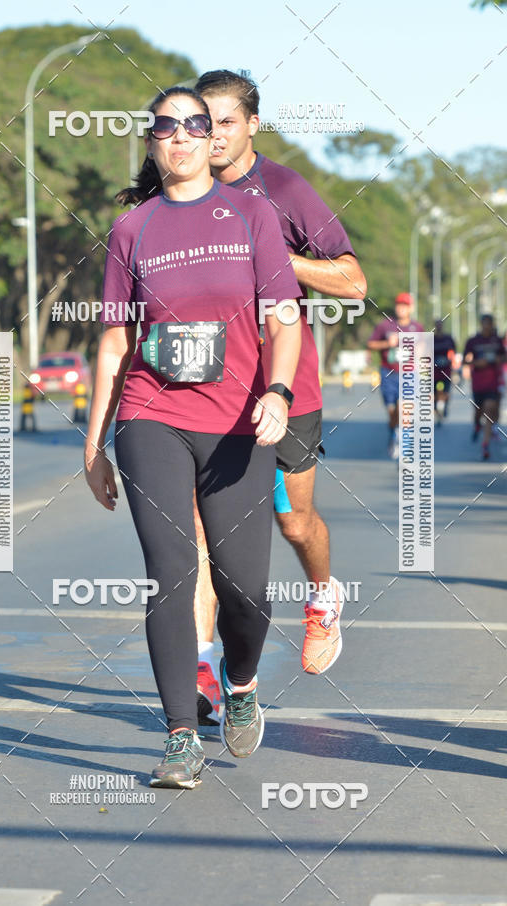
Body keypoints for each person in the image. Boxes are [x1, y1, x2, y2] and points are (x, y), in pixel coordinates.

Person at [84, 85, 302, 789]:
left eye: (193, 125)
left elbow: (284, 320)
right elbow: (115, 342)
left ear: (214, 138)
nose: (178, 136)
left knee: (247, 591)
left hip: (239, 421)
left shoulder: (251, 215)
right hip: (151, 416)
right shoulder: (132, 230)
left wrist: (279, 390)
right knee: (171, 573)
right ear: (151, 140)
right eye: (164, 126)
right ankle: (180, 735)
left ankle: (240, 681)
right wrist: (93, 444)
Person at [188, 70, 367, 726]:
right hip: (206, 391)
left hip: (287, 387)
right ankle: (205, 670)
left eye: (225, 122)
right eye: (201, 122)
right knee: (205, 536)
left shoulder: (283, 188)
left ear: (252, 125)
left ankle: (323, 598)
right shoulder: (179, 190)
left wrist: (273, 255)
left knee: (293, 522)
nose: (210, 136)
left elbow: (352, 281)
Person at [367, 292, 423, 459]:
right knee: (392, 412)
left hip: (409, 373)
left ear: (411, 308)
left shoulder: (417, 328)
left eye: (405, 306)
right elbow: (371, 343)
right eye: (399, 305)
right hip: (388, 373)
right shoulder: (385, 326)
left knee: (404, 408)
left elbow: (424, 348)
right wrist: (387, 343)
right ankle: (394, 433)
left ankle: (403, 443)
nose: (401, 309)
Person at [463, 313, 505, 459]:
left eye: (489, 323)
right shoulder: (473, 341)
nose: (487, 326)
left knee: (489, 410)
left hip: (492, 383)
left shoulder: (497, 341)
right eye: (484, 323)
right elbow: (464, 360)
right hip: (478, 384)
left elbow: (504, 356)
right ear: (481, 324)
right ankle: (476, 424)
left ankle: (485, 445)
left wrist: (499, 359)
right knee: (479, 411)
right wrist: (475, 363)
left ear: (492, 324)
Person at [433, 318, 456, 426]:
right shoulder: (431, 339)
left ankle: (444, 406)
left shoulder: (448, 338)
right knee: (433, 394)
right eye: (437, 325)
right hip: (433, 371)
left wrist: (450, 359)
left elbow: (453, 351)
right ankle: (437, 412)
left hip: (446, 370)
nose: (438, 326)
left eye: (440, 324)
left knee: (445, 392)